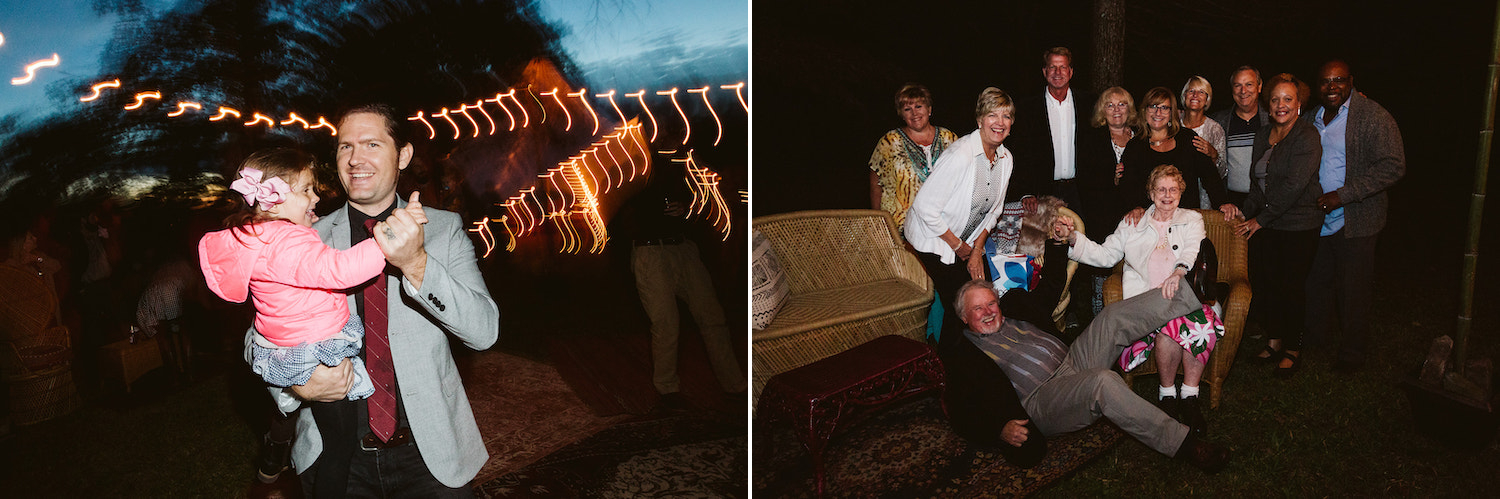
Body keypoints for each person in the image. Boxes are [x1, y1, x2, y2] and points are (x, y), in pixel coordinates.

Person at [260, 103, 500, 497]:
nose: (356, 159)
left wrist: (417, 264)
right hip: (334, 458)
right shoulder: (304, 238)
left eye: (372, 143)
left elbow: (484, 331)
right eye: (344, 147)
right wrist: (295, 386)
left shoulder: (443, 229)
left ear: (402, 155)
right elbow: (257, 341)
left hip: (430, 456)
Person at [945, 278, 1231, 471]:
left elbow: (1053, 285)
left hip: (1071, 360)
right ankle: (1186, 446)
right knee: (1102, 383)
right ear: (963, 317)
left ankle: (1195, 293)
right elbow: (958, 411)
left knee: (1110, 318)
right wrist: (998, 429)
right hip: (1040, 399)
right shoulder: (964, 354)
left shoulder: (1016, 311)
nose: (988, 312)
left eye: (991, 303)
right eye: (977, 308)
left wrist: (1057, 244)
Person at [1060, 165, 1222, 434]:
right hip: (1146, 307)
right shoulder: (1132, 223)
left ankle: (1187, 396)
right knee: (1173, 327)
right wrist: (1073, 239)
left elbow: (1194, 248)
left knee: (1190, 323)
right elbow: (1106, 256)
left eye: (1173, 189)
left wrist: (1179, 272)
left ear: (1181, 192)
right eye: (1161, 189)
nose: (1167, 195)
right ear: (1150, 193)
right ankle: (1170, 395)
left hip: (1185, 299)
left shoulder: (1192, 219)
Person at [622, 155, 745, 411]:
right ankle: (667, 390)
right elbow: (627, 205)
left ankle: (735, 385)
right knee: (666, 323)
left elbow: (706, 200)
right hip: (650, 252)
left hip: (684, 248)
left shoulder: (687, 162)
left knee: (713, 317)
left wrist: (687, 207)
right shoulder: (636, 164)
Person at [1305, 60, 1405, 373]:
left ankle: (1352, 354)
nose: (1331, 87)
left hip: (1357, 218)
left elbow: (1393, 165)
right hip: (1317, 219)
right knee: (1316, 282)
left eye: (1338, 80)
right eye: (1325, 81)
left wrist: (1344, 195)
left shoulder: (1373, 115)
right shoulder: (1312, 117)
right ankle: (1314, 340)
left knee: (1353, 289)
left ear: (1351, 82)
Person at [905, 87, 1016, 342]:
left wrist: (976, 251)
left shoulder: (1006, 158)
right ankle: (950, 360)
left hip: (967, 241)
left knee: (987, 294)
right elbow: (924, 208)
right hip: (932, 239)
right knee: (964, 303)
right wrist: (958, 247)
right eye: (993, 115)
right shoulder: (961, 155)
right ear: (979, 120)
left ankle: (991, 350)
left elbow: (995, 210)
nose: (1000, 123)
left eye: (1006, 116)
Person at [1232, 73, 1324, 378]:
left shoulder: (1307, 136)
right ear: (1268, 105)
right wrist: (1245, 215)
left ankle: (1293, 349)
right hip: (1267, 223)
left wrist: (1261, 220)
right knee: (1267, 283)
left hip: (1299, 223)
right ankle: (1273, 341)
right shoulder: (1263, 135)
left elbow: (1293, 187)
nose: (1280, 105)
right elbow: (1258, 183)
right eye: (1275, 99)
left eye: (1288, 99)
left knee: (1291, 287)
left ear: (1299, 104)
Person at [1118, 88, 1240, 224]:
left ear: (1171, 113)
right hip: (1149, 222)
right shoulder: (1135, 146)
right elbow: (1127, 185)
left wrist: (1222, 203)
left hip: (1185, 221)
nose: (1158, 112)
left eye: (1164, 108)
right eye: (1153, 106)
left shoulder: (1188, 139)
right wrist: (1134, 207)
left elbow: (1209, 175)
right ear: (1144, 111)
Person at [1072, 86, 1137, 317]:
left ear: (1129, 109)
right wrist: (1110, 177)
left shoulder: (1138, 136)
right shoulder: (1093, 137)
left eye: (1122, 104)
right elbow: (1083, 175)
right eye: (1110, 105)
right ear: (1102, 110)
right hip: (1101, 210)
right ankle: (1099, 314)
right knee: (1101, 264)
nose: (1116, 109)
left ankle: (1127, 312)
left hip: (1133, 210)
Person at [869, 83, 959, 233]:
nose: (914, 113)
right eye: (907, 109)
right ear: (901, 114)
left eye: (918, 107)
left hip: (945, 227)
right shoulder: (889, 142)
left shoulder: (950, 139)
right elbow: (875, 184)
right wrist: (879, 222)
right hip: (900, 228)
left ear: (929, 109)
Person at [1012, 47, 1094, 210]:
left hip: (1081, 192)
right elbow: (1021, 152)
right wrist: (1026, 191)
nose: (1058, 72)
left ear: (1070, 72)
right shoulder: (1027, 108)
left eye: (1062, 67)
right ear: (1044, 71)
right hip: (1042, 193)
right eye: (1052, 67)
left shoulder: (1089, 104)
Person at [1211, 66, 1271, 207]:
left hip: (1266, 203)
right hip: (1231, 204)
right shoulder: (1219, 122)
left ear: (1260, 86)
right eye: (1238, 85)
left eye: (1249, 84)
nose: (1243, 91)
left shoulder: (1272, 120)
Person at [1180, 76, 1228, 207]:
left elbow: (1223, 172)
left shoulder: (1215, 129)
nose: (1195, 95)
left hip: (1205, 198)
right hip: (1174, 197)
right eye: (1191, 91)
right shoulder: (1173, 124)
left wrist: (1214, 155)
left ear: (1207, 99)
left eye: (1201, 92)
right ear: (1184, 96)